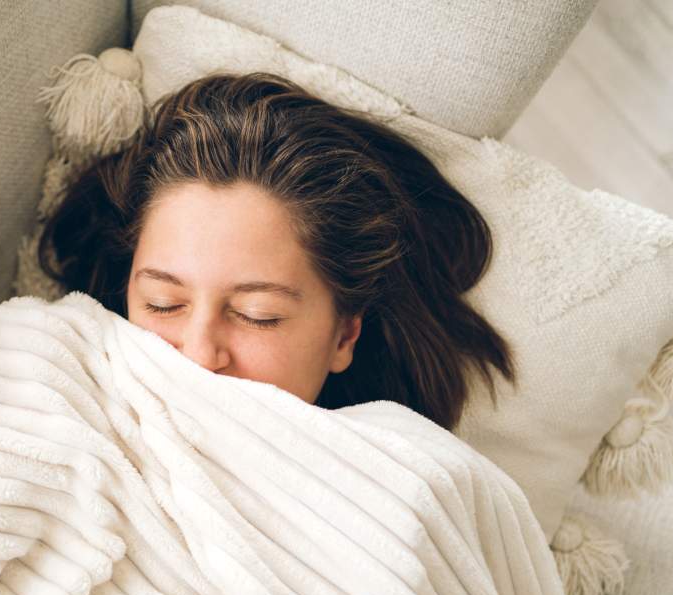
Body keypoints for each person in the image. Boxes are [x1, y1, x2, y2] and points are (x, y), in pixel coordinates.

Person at [36, 71, 515, 430]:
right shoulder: (46, 380)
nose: (199, 356)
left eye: (256, 314)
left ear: (344, 336)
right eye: (163, 303)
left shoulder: (405, 490)